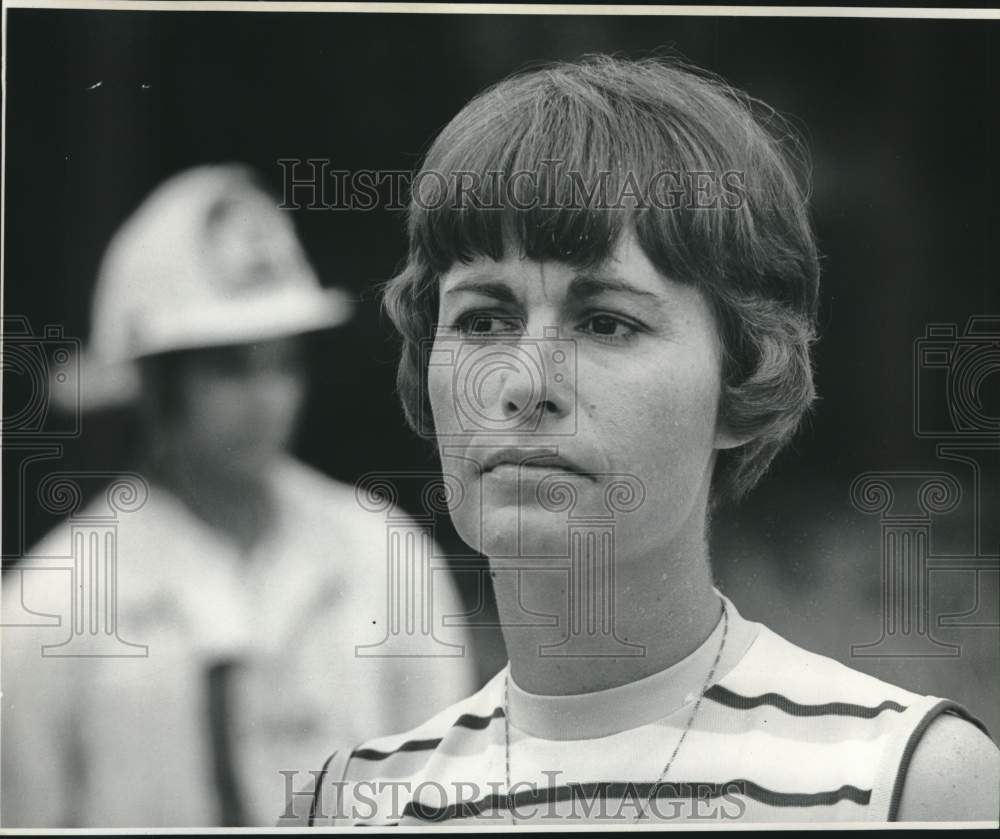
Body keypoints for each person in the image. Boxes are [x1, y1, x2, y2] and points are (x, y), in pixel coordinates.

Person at [286, 57, 1000, 826]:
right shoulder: (348, 803)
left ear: (745, 380)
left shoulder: (904, 783)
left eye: (606, 322)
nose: (527, 382)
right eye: (483, 320)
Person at [1, 164, 477, 827]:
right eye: (228, 367)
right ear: (156, 380)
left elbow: (444, 801)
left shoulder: (384, 557)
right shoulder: (46, 608)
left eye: (282, 361)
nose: (266, 397)